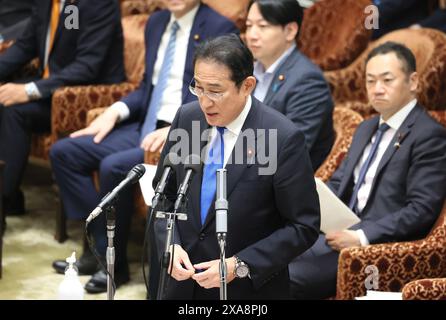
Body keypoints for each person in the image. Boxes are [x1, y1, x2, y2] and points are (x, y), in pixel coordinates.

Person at [50, 0, 238, 294]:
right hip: (144, 125)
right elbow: (146, 87)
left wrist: (178, 126)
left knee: (115, 166)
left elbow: (218, 92)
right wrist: (115, 111)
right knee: (65, 153)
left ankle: (114, 266)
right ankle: (97, 246)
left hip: (184, 133)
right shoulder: (156, 23)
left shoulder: (219, 27)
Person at [151, 34, 320, 300]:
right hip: (180, 284)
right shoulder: (188, 119)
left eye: (216, 91)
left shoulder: (280, 137)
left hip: (246, 291)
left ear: (247, 85)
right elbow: (163, 197)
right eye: (199, 88)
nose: (205, 101)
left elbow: (303, 226)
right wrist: (168, 244)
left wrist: (240, 265)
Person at [289, 42, 446, 299]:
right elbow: (339, 182)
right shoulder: (366, 127)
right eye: (370, 81)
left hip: (371, 249)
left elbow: (421, 210)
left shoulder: (429, 135)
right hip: (333, 234)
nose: (377, 89)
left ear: (414, 81)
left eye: (387, 80)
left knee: (286, 280)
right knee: (260, 262)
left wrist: (362, 237)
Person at [0, 0, 125, 216]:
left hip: (84, 97)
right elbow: (25, 45)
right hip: (50, 89)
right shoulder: (50, 4)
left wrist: (30, 90)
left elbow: (86, 67)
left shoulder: (98, 4)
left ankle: (3, 199)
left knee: (13, 110)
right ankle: (10, 198)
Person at [245, 0, 334, 171]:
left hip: (276, 180)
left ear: (290, 31)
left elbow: (289, 152)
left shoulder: (307, 81)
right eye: (249, 26)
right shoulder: (248, 70)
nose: (252, 35)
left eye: (262, 26)